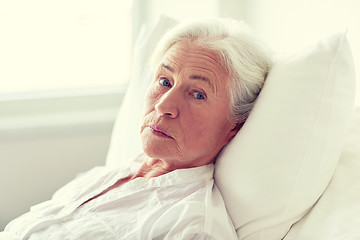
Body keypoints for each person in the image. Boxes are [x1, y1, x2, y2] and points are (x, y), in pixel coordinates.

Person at [1, 18, 272, 240]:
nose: (165, 104)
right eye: (164, 81)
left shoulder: (189, 228)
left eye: (198, 94)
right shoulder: (103, 177)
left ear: (234, 127)